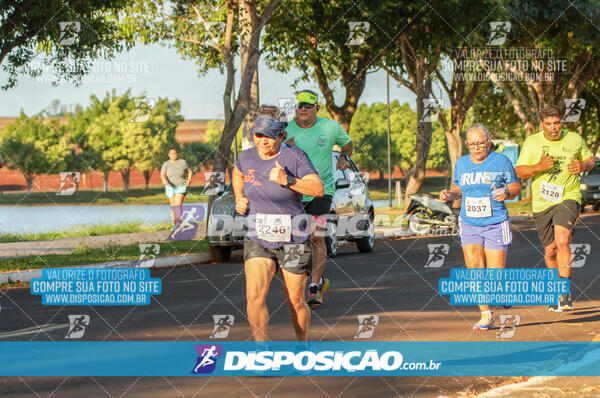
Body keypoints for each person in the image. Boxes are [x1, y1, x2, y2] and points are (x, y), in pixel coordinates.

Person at [233, 115, 323, 342]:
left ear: (280, 136)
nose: (263, 141)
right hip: (258, 236)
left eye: (269, 136)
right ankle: (262, 350)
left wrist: (288, 180)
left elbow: (317, 189)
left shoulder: (295, 156)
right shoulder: (246, 157)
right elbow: (237, 172)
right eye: (258, 135)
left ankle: (303, 345)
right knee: (254, 296)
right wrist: (239, 196)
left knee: (295, 300)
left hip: (293, 238)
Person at [440, 124, 521, 330]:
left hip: (495, 223)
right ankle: (486, 315)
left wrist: (507, 193)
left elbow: (515, 186)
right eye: (471, 144)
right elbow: (458, 187)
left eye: (480, 143)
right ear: (467, 145)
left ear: (489, 141)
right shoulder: (461, 163)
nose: (476, 147)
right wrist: (450, 195)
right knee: (475, 270)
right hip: (469, 223)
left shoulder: (501, 161)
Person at [515, 104, 595, 312]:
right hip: (542, 202)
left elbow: (590, 159)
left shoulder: (574, 139)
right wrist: (538, 167)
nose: (553, 128)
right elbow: (520, 171)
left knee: (563, 240)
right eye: (548, 124)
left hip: (568, 197)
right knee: (550, 250)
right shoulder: (532, 143)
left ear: (562, 122)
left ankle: (564, 292)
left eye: (557, 123)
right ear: (542, 124)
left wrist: (583, 166)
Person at [285, 89, 353, 307]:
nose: (303, 109)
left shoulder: (330, 127)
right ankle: (305, 280)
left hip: (322, 190)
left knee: (316, 235)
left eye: (308, 105)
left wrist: (343, 156)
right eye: (300, 105)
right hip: (294, 190)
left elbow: (348, 143)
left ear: (317, 107)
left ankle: (314, 286)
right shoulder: (286, 129)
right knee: (295, 237)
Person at [160, 147, 192, 227]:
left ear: (177, 154)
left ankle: (177, 223)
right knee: (173, 205)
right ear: (169, 155)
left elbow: (190, 171)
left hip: (181, 186)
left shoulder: (182, 162)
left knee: (178, 204)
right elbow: (162, 174)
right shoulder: (166, 164)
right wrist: (164, 180)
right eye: (171, 153)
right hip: (170, 187)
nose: (173, 155)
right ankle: (174, 223)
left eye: (175, 153)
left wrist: (188, 181)